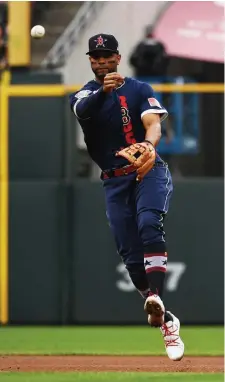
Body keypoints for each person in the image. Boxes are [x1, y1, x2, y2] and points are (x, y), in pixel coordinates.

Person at [69, 33, 184, 361]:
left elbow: (153, 124)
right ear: (91, 61)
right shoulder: (85, 94)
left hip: (147, 171)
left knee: (149, 222)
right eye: (96, 57)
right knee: (131, 257)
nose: (102, 61)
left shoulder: (139, 89)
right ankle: (166, 316)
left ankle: (158, 302)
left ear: (118, 58)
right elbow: (81, 109)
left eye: (107, 56)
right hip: (114, 181)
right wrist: (103, 91)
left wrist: (149, 144)